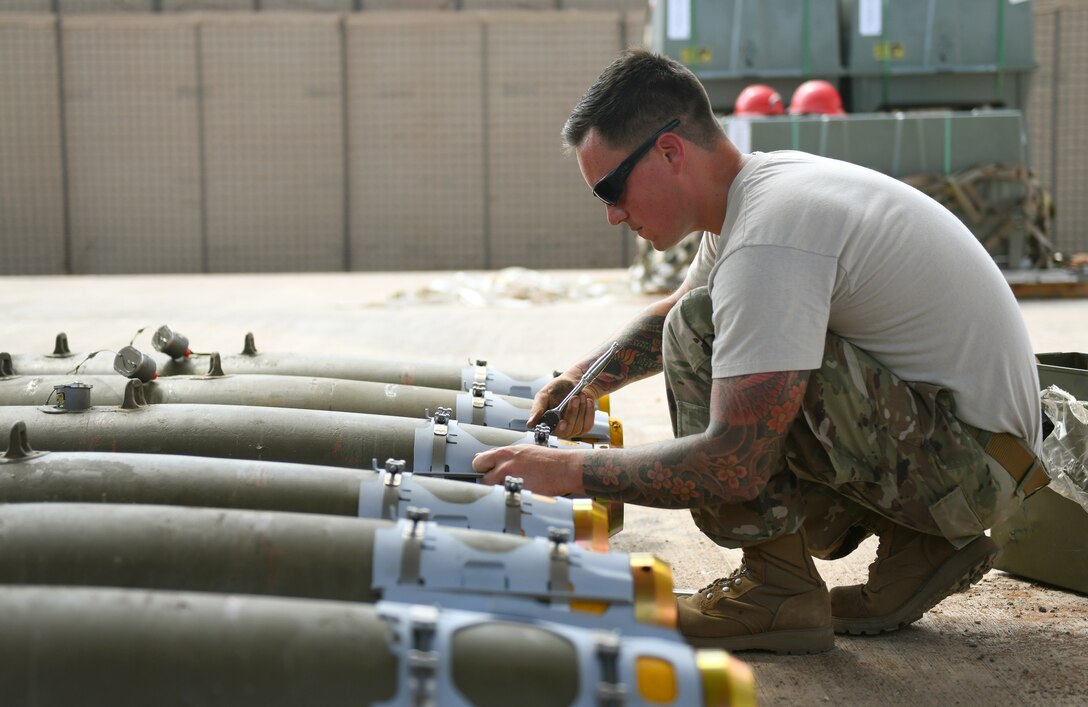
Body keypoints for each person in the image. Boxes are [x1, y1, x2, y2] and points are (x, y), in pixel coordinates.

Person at [471, 50, 1047, 655]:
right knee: (701, 319)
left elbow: (733, 464)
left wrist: (566, 472)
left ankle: (776, 593)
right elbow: (671, 307)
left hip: (969, 471)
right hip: (975, 456)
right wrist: (582, 380)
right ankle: (923, 546)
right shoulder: (761, 194)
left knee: (704, 335)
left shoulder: (771, 236)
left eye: (612, 190)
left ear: (669, 152)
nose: (615, 215)